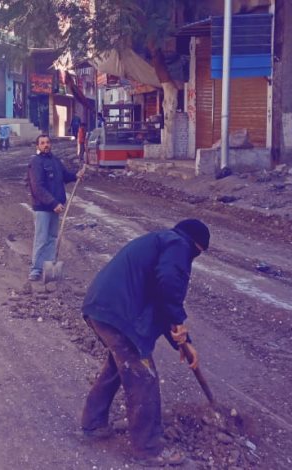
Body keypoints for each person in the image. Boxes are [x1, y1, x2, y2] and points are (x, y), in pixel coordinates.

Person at [79, 219, 210, 467]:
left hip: (102, 308)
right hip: (118, 314)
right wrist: (179, 320)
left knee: (118, 367)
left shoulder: (160, 242)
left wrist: (184, 343)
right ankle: (149, 449)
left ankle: (94, 423)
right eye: (198, 253)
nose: (193, 258)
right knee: (144, 377)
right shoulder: (179, 245)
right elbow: (169, 284)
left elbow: (161, 302)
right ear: (195, 245)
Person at [27, 134, 85, 281]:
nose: (45, 145)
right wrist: (53, 203)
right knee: (41, 238)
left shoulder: (55, 161)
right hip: (43, 207)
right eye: (42, 143)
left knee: (52, 237)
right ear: (38, 146)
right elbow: (37, 187)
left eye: (47, 142)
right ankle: (36, 269)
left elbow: (64, 176)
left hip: (56, 207)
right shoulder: (36, 162)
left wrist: (75, 175)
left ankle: (49, 265)